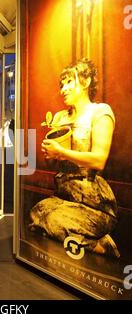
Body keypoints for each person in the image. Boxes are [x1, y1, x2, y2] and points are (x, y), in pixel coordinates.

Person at [29, 58, 120, 258]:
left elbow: (98, 160)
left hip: (93, 201)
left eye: (69, 82)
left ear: (86, 82)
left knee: (52, 220)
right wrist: (51, 152)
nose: (63, 89)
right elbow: (56, 161)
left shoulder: (101, 112)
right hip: (65, 196)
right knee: (37, 211)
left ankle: (101, 244)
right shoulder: (61, 117)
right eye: (61, 84)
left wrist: (60, 152)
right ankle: (80, 238)